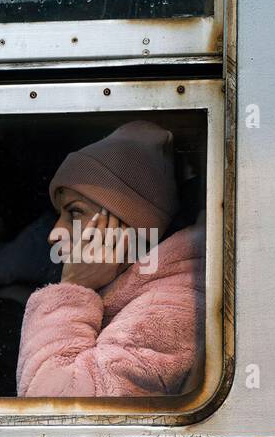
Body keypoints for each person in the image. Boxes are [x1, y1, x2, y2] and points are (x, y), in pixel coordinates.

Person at [16, 120, 205, 397]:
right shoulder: (139, 295)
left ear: (128, 225)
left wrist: (72, 288)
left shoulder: (168, 309)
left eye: (74, 213)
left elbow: (51, 411)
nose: (54, 234)